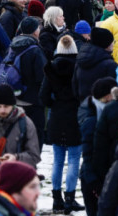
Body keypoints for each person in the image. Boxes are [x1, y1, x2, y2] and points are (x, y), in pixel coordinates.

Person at [39, 36, 84, 213]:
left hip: (57, 116)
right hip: (75, 116)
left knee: (58, 160)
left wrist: (54, 103)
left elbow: (43, 97)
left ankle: (56, 199)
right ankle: (70, 198)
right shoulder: (79, 68)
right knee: (74, 159)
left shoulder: (50, 69)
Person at [0, 85, 41, 189]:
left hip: (18, 186)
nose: (2, 110)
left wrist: (16, 158)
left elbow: (34, 156)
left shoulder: (26, 124)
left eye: (6, 106)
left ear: (13, 105)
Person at [5, 17, 47, 150]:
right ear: (35, 31)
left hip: (15, 97)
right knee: (35, 135)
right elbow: (42, 76)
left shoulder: (12, 46)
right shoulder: (35, 50)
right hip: (33, 100)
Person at [78, 78, 116, 216]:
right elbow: (88, 154)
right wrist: (95, 184)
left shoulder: (97, 112)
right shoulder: (93, 120)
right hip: (94, 180)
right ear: (107, 97)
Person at [72, 28, 116, 101]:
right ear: (106, 44)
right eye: (112, 42)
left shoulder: (80, 60)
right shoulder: (110, 65)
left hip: (84, 104)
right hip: (103, 106)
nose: (113, 44)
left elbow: (75, 85)